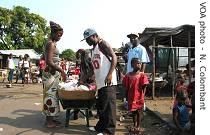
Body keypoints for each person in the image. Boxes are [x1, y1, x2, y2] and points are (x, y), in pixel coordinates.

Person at [81, 28, 117, 135]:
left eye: (88, 39)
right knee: (102, 106)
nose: (87, 41)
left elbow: (114, 57)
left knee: (109, 107)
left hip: (108, 81)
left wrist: (110, 74)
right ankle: (100, 127)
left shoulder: (103, 44)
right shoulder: (94, 49)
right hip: (100, 82)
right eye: (85, 40)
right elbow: (93, 69)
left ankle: (109, 131)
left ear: (95, 36)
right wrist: (83, 79)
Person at [42, 21, 66, 128]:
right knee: (50, 96)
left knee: (53, 95)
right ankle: (48, 121)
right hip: (51, 74)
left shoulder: (50, 43)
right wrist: (61, 70)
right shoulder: (50, 44)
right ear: (53, 32)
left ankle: (51, 119)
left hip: (51, 73)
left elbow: (43, 58)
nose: (60, 37)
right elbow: (49, 61)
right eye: (59, 35)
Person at [122, 58, 149, 134]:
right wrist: (126, 96)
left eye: (140, 63)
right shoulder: (128, 75)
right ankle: (134, 125)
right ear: (132, 65)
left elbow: (144, 86)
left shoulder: (142, 75)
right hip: (131, 97)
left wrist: (142, 96)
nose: (139, 65)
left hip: (139, 97)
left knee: (139, 112)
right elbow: (126, 87)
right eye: (137, 63)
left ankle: (138, 126)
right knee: (133, 112)